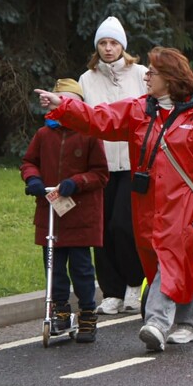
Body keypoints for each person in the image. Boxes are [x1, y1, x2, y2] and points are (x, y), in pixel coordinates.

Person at [34, 47, 193, 352]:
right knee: (159, 262)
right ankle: (190, 323)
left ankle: (155, 323)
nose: (147, 76)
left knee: (170, 256)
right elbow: (100, 118)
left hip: (183, 202)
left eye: (153, 71)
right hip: (146, 202)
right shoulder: (140, 110)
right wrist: (63, 106)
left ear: (171, 78)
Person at [21, 79, 109, 343]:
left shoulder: (89, 135)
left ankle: (87, 312)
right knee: (54, 267)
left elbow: (100, 174)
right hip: (51, 215)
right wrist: (33, 179)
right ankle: (59, 309)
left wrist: (76, 183)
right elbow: (29, 162)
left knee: (81, 268)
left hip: (80, 214)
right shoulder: (43, 135)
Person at [78, 17, 147, 315]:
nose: (108, 49)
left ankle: (134, 283)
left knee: (124, 226)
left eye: (114, 43)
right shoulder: (87, 79)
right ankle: (111, 290)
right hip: (101, 165)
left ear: (123, 46)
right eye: (103, 43)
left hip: (133, 162)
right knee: (101, 229)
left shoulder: (142, 74)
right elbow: (84, 119)